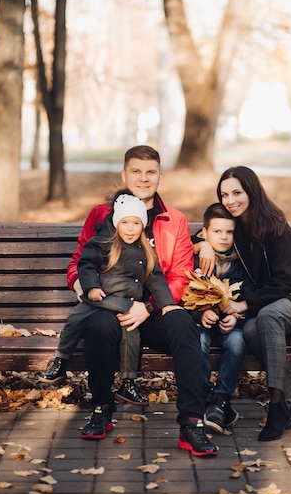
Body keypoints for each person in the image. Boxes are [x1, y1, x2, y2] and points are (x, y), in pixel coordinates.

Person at [41, 145, 218, 456]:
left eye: (150, 172)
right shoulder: (101, 215)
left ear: (160, 177)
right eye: (136, 171)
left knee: (184, 325)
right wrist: (84, 288)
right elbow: (78, 262)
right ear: (124, 174)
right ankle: (101, 408)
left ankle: (192, 422)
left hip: (154, 311)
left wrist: (148, 308)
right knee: (98, 324)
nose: (143, 178)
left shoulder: (172, 220)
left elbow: (180, 275)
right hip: (110, 306)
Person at [198, 166, 291, 442]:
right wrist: (203, 245)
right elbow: (211, 233)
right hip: (268, 305)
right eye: (224, 194)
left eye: (237, 192)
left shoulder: (277, 227)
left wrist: (244, 305)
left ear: (252, 191)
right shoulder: (238, 227)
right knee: (249, 332)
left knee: (268, 316)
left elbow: (285, 282)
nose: (230, 200)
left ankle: (277, 405)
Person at [76, 190, 177, 412]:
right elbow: (86, 264)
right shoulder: (105, 242)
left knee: (132, 334)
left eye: (136, 223)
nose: (130, 228)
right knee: (100, 326)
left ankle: (128, 382)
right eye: (125, 223)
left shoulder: (145, 251)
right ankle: (100, 397)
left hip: (130, 305)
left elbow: (155, 278)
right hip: (104, 301)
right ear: (116, 223)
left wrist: (167, 304)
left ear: (143, 225)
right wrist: (91, 286)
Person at [187, 203, 252, 434]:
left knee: (237, 341)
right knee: (199, 341)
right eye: (217, 231)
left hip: (230, 324)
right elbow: (184, 294)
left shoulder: (243, 261)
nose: (223, 237)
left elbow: (249, 295)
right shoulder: (195, 259)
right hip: (201, 322)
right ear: (204, 233)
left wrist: (237, 318)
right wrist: (201, 312)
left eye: (229, 232)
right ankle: (204, 398)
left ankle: (221, 400)